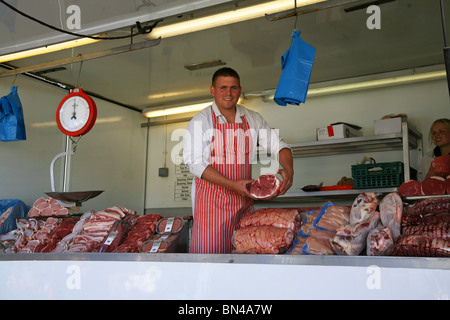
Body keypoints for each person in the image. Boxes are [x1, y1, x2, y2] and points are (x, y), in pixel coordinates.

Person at [183, 67, 293, 254]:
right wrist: (232, 184)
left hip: (243, 207)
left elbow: (279, 145)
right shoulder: (201, 121)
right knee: (210, 265)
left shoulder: (252, 118)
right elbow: (193, 162)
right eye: (223, 87)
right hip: (211, 209)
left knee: (243, 263)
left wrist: (288, 170)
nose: (228, 93)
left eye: (233, 88)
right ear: (213, 90)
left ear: (240, 90)